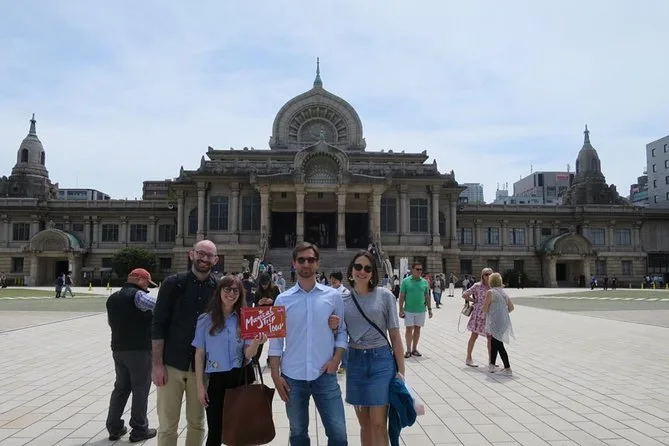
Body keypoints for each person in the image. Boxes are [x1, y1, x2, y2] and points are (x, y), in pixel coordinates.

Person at [268, 242, 349, 446]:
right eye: (301, 260)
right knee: (298, 435)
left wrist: (336, 360)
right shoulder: (282, 300)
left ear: (318, 263)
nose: (306, 264)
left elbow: (342, 332)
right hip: (293, 377)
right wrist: (275, 375)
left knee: (339, 435)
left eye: (311, 260)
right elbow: (276, 341)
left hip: (325, 374)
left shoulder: (333, 296)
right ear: (294, 263)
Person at [152, 240, 219, 446]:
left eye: (209, 255)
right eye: (201, 253)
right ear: (191, 254)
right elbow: (158, 324)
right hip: (172, 364)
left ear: (216, 260)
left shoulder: (218, 288)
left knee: (197, 423)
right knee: (167, 425)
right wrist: (157, 364)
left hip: (202, 369)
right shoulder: (173, 283)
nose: (204, 259)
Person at [193, 275, 268, 446]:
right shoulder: (205, 320)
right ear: (219, 291)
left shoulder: (245, 319)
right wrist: (200, 386)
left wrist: (256, 342)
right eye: (227, 289)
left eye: (236, 291)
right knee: (215, 431)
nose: (231, 294)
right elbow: (199, 354)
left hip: (241, 377)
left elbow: (248, 354)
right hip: (217, 380)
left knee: (242, 431)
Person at [342, 251, 405, 445]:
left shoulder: (385, 296)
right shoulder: (342, 299)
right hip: (355, 363)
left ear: (373, 273)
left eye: (367, 268)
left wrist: (401, 372)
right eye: (358, 267)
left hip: (381, 362)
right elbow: (337, 333)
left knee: (378, 423)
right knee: (365, 424)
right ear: (351, 271)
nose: (362, 271)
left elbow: (395, 335)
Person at [105, 268, 159, 442]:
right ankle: (139, 428)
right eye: (147, 283)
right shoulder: (138, 296)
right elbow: (160, 307)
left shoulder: (113, 298)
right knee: (140, 388)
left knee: (121, 388)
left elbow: (111, 322)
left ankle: (114, 427)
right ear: (141, 279)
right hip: (139, 350)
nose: (147, 287)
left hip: (118, 349)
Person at [482, 272, 514, 376]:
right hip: (504, 322)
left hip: (494, 321)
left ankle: (507, 368)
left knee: (498, 344)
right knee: (495, 342)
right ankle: (492, 366)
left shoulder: (490, 292)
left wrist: (494, 312)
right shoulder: (504, 293)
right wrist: (502, 312)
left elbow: (485, 308)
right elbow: (511, 308)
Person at [398, 262, 432, 358]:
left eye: (421, 269)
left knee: (417, 330)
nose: (419, 271)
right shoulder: (405, 281)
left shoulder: (425, 282)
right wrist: (400, 309)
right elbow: (402, 296)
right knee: (409, 330)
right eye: (417, 269)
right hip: (408, 310)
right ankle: (408, 350)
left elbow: (427, 296)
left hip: (421, 310)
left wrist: (430, 309)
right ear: (412, 270)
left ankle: (414, 349)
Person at [462, 267, 493, 368]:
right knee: (474, 335)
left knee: (490, 338)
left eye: (490, 274)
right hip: (479, 314)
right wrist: (474, 301)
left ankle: (491, 360)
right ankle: (468, 358)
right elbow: (464, 294)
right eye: (486, 274)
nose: (488, 276)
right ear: (482, 276)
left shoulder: (493, 286)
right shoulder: (477, 286)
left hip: (490, 314)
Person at [252, 272, 281, 363]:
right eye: (262, 284)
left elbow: (280, 303)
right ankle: (255, 360)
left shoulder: (275, 289)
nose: (264, 286)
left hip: (273, 317)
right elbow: (255, 307)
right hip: (262, 318)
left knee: (273, 341)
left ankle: (271, 360)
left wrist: (272, 301)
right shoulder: (258, 291)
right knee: (260, 339)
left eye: (266, 284)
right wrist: (259, 303)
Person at [329, 271, 351, 374]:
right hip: (331, 323)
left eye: (335, 279)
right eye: (332, 279)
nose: (333, 281)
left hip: (343, 322)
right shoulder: (328, 291)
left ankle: (344, 364)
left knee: (343, 344)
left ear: (340, 280)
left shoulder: (345, 292)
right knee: (332, 343)